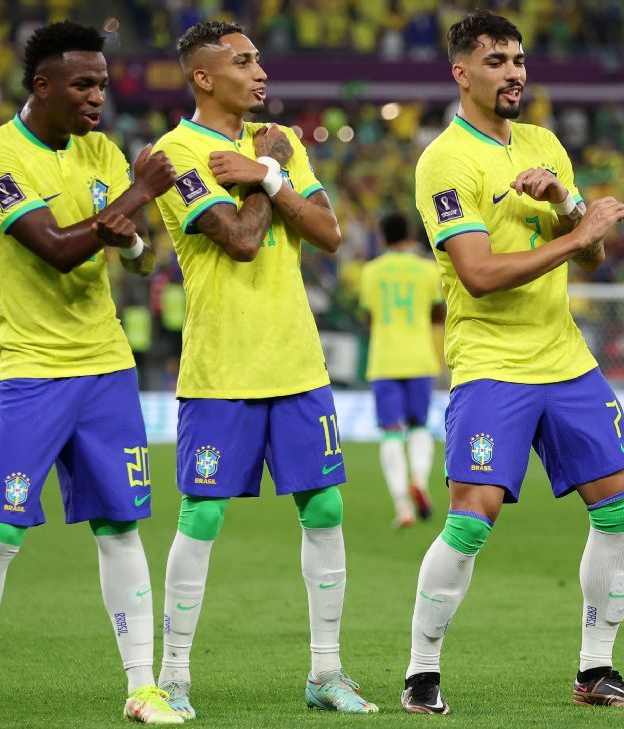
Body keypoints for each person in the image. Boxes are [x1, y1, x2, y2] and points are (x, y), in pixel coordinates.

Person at [0, 21, 179, 729]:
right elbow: (58, 249)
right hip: (33, 371)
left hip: (105, 368)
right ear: (43, 86)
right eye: (83, 83)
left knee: (121, 529)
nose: (100, 94)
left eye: (102, 81)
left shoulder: (100, 150)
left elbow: (142, 259)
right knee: (1, 530)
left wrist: (132, 237)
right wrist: (139, 194)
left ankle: (142, 687)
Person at [402, 10, 624, 715]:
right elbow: (477, 273)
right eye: (497, 61)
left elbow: (593, 251)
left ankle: (596, 669)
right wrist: (578, 236)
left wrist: (570, 204)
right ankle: (421, 672)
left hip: (564, 357)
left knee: (621, 503)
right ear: (462, 73)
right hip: (491, 362)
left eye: (518, 59)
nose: (514, 72)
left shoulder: (543, 143)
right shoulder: (446, 160)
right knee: (472, 518)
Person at [150, 20, 377, 719]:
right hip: (221, 368)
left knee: (327, 506)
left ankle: (326, 672)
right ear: (204, 77)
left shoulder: (279, 146)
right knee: (204, 512)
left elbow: (329, 233)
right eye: (243, 61)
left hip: (296, 361)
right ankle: (173, 676)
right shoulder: (173, 154)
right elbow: (244, 241)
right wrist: (266, 178)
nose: (260, 71)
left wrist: (271, 171)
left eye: (259, 59)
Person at [358, 213, 445, 527]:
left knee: (390, 431)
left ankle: (403, 507)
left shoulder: (370, 272)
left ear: (382, 236)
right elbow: (438, 313)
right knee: (420, 426)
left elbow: (367, 316)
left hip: (385, 360)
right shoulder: (427, 270)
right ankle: (419, 480)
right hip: (420, 358)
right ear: (410, 234)